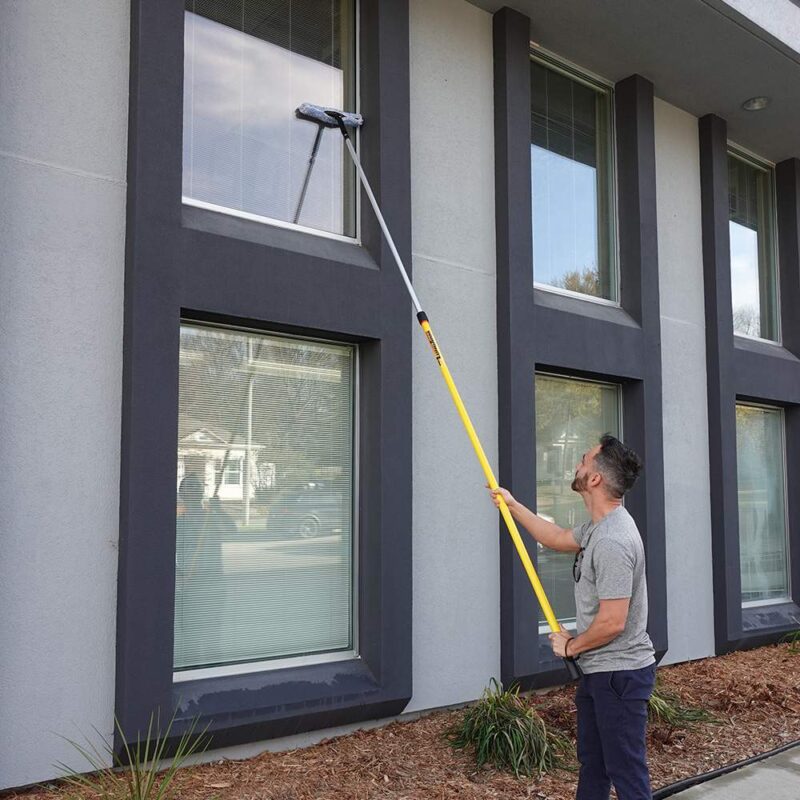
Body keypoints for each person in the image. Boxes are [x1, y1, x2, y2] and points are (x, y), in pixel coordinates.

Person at [489, 434, 656, 800]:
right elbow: (557, 537)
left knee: (625, 772)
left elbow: (614, 621)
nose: (577, 465)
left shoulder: (613, 540)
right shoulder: (598, 528)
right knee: (594, 767)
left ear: (594, 479)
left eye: (583, 460)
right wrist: (512, 505)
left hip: (620, 675)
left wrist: (572, 645)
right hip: (601, 672)